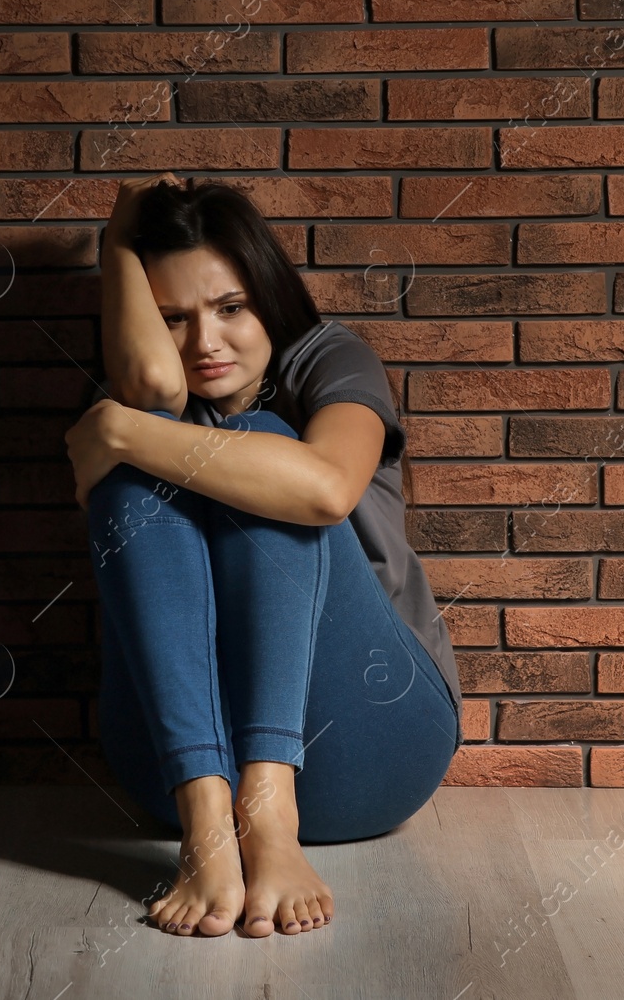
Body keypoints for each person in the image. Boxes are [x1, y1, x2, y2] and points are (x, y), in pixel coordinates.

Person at [64, 173, 463, 940]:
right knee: (129, 490)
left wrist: (118, 433)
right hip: (177, 773)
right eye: (172, 317)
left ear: (268, 296)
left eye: (230, 308)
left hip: (371, 738)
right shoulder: (150, 392)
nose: (204, 343)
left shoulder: (332, 359)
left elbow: (322, 491)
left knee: (262, 450)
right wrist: (114, 242)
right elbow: (149, 381)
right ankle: (211, 824)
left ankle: (270, 811)